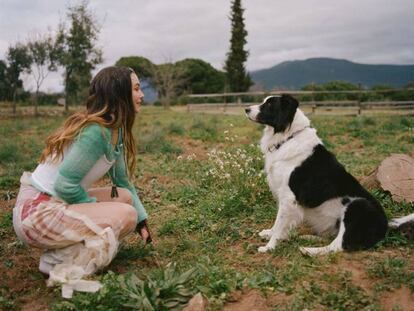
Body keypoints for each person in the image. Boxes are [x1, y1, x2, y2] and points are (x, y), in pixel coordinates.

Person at [12, 66, 152, 296]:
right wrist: (96, 211)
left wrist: (142, 221)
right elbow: (64, 185)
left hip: (56, 204)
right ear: (120, 93)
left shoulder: (115, 132)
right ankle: (56, 263)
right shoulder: (97, 132)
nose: (142, 95)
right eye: (136, 89)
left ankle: (66, 250)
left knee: (125, 201)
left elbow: (123, 183)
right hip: (35, 214)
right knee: (125, 214)